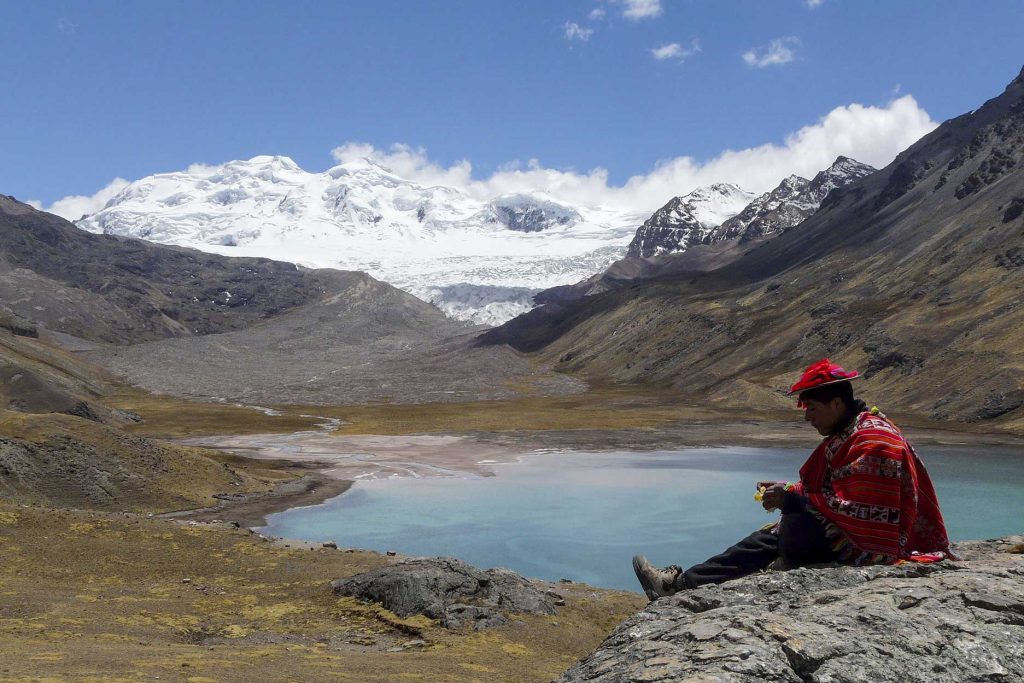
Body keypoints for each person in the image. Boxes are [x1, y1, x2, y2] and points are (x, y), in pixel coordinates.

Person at [632, 358, 951, 600]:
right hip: (856, 537)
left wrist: (795, 499)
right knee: (784, 527)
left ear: (837, 403)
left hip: (871, 549)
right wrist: (790, 492)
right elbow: (831, 492)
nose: (807, 416)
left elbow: (864, 515)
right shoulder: (851, 433)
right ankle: (688, 582)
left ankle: (678, 585)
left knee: (784, 529)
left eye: (812, 407)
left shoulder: (874, 443)